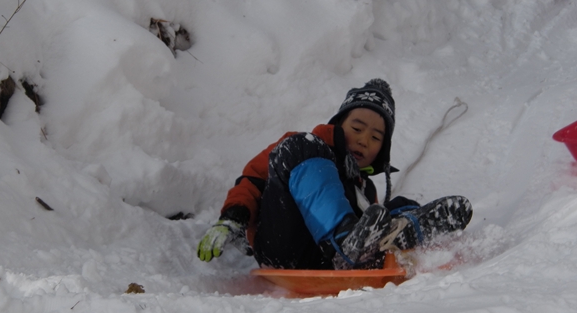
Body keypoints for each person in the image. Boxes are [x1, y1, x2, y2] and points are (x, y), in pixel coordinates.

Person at [197, 79, 472, 270]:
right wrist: (232, 219)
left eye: (376, 137)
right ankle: (346, 242)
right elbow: (252, 181)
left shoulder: (365, 189)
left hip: (328, 261)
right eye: (357, 127)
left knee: (389, 208)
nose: (364, 140)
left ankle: (409, 231)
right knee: (300, 146)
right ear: (339, 124)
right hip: (283, 247)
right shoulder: (301, 150)